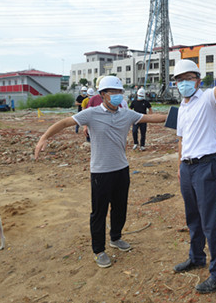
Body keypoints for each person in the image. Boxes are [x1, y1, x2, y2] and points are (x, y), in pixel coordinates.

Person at [34, 76, 166, 269]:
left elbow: (153, 118)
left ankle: (116, 238)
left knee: (120, 207)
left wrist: (183, 114)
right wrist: (44, 137)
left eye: (119, 92)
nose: (116, 96)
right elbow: (64, 123)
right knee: (99, 212)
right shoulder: (91, 114)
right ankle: (99, 250)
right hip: (101, 171)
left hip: (121, 168)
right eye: (112, 92)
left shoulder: (126, 114)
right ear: (103, 95)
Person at [172, 53, 216, 294]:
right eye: (179, 80)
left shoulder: (208, 98)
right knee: (193, 218)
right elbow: (181, 139)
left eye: (187, 78)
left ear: (198, 80)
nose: (183, 83)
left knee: (210, 221)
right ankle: (196, 257)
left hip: (206, 165)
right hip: (187, 167)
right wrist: (180, 165)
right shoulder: (182, 106)